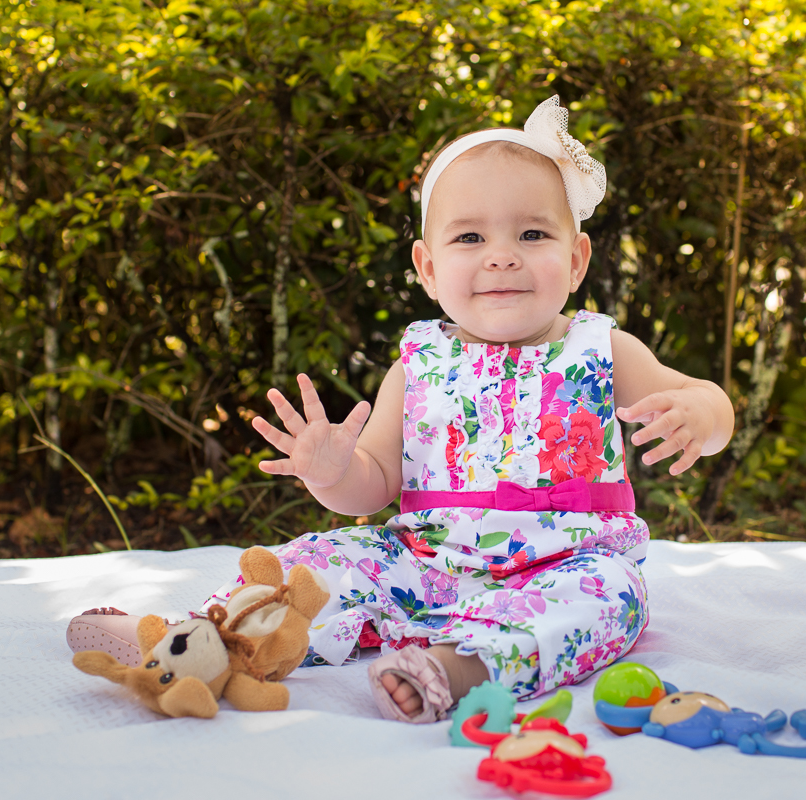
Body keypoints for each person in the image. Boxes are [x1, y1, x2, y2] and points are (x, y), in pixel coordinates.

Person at [67, 96, 734, 723]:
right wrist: (330, 470)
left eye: (532, 233)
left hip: (566, 565)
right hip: (426, 566)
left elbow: (707, 400)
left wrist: (702, 416)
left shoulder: (601, 348)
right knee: (324, 560)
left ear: (577, 257)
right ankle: (200, 638)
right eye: (469, 238)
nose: (501, 255)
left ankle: (457, 668)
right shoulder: (418, 364)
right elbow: (375, 481)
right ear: (428, 267)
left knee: (610, 599)